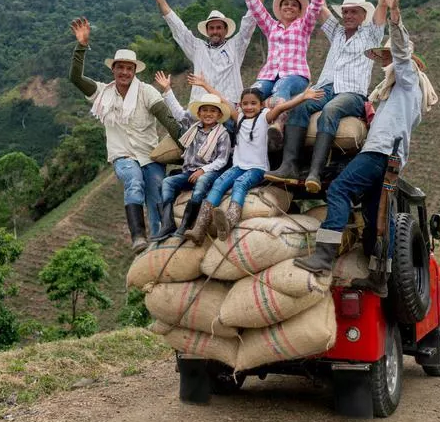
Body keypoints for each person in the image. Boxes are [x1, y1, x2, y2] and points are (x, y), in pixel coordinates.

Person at [294, 0, 438, 297]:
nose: (386, 62)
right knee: (376, 219)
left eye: (389, 58)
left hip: (380, 152)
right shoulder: (395, 94)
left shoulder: (407, 79)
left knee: (341, 190)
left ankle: (323, 256)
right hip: (391, 158)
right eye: (385, 58)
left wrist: (395, 12)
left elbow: (401, 48)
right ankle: (380, 277)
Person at [266, 0, 401, 193]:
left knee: (331, 110)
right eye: (346, 12)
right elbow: (319, 5)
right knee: (301, 105)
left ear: (363, 15)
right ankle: (290, 166)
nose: (348, 16)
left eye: (354, 12)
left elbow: (383, 1)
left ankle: (316, 172)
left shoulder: (371, 33)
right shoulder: (336, 32)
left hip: (351, 94)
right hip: (326, 86)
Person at [68, 17, 181, 254]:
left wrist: (187, 146)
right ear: (114, 70)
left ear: (134, 71)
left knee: (158, 190)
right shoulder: (102, 93)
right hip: (123, 156)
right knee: (134, 181)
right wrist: (81, 46)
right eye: (120, 68)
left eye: (129, 68)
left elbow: (168, 121)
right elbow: (76, 78)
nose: (124, 72)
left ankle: (160, 242)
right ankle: (138, 236)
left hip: (150, 155)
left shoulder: (147, 92)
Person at [184, 85, 325, 243]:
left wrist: (303, 96)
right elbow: (222, 100)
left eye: (253, 103)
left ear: (261, 104)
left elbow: (283, 106)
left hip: (257, 168)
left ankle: (229, 221)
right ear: (241, 105)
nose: (249, 107)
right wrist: (204, 84)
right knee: (219, 183)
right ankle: (199, 228)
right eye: (245, 104)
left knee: (240, 184)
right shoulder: (239, 117)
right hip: (238, 166)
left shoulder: (265, 117)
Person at [144, 0, 271, 106]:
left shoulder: (236, 45)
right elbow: (177, 27)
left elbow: (252, 17)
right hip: (202, 107)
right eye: (212, 28)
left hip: (230, 105)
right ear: (207, 31)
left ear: (225, 30)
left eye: (219, 27)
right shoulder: (197, 48)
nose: (215, 31)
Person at [239, 0, 328, 148]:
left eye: (294, 5)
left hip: (295, 75)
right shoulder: (271, 26)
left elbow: (317, 3)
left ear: (299, 11)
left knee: (282, 87)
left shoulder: (304, 25)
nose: (289, 7)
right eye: (285, 4)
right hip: (269, 75)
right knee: (253, 93)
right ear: (280, 8)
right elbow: (254, 6)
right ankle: (246, 132)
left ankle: (278, 125)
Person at [151, 70, 232, 241]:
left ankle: (186, 224)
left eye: (212, 111)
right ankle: (167, 224)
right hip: (189, 172)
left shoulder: (222, 134)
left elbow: (222, 160)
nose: (208, 114)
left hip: (209, 173)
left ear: (218, 115)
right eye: (205, 111)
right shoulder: (194, 127)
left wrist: (203, 170)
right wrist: (167, 90)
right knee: (167, 182)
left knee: (201, 183)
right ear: (199, 113)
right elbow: (179, 113)